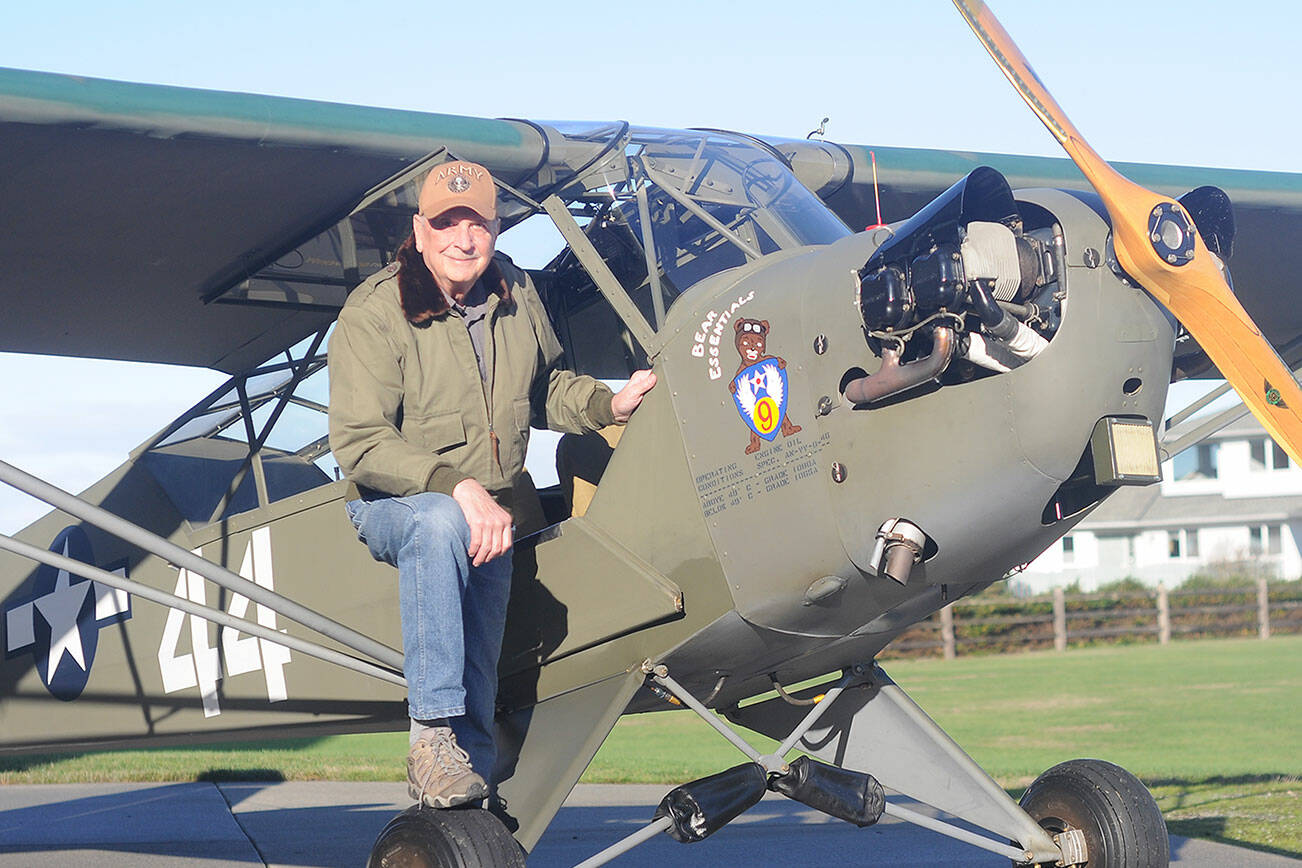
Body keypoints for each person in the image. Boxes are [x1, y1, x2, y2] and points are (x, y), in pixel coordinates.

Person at [327, 160, 655, 809]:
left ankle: (461, 793)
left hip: (494, 509)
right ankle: (430, 740)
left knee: (487, 673)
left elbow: (544, 388)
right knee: (441, 519)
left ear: (494, 228)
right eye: (446, 222)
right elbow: (359, 441)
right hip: (398, 507)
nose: (461, 236)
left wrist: (606, 406)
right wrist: (453, 486)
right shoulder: (375, 311)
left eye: (474, 221)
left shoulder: (515, 296)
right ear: (421, 231)